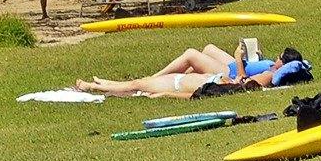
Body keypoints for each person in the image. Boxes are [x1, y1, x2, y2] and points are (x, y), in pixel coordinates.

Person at [75, 42, 308, 98]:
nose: (275, 59)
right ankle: (105, 85)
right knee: (142, 84)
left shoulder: (268, 75)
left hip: (219, 76)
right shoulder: (270, 71)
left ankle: (98, 85)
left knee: (141, 84)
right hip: (215, 76)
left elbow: (242, 81)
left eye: (279, 58)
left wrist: (238, 58)